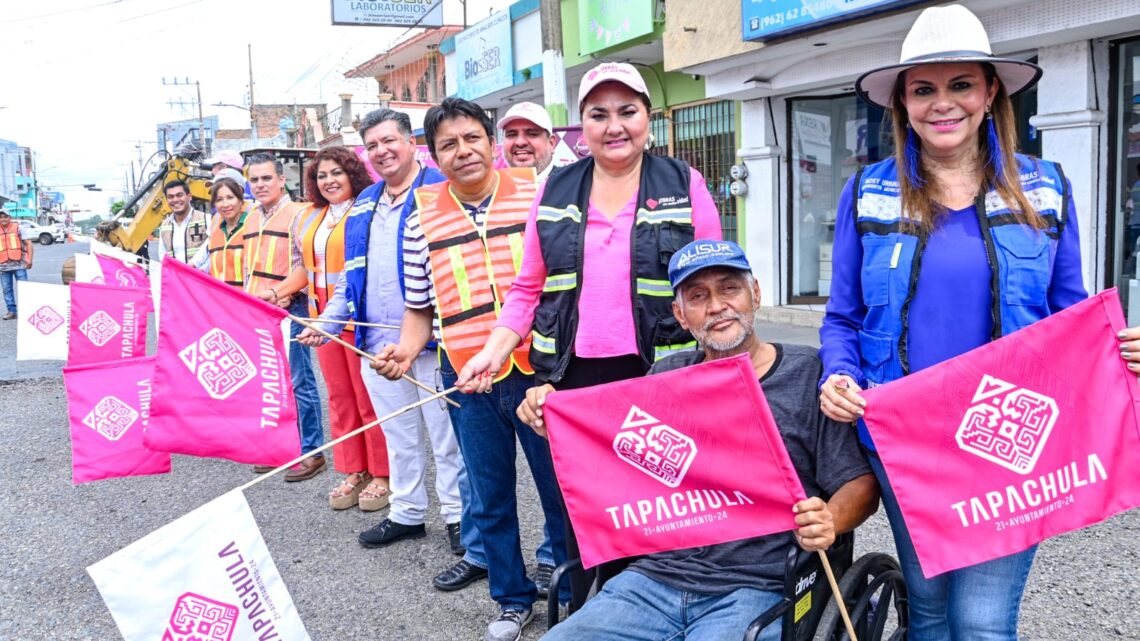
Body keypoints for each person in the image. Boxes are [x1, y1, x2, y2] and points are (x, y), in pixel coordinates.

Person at [815, 6, 1116, 639]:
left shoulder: (1047, 188)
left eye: (960, 85)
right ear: (901, 102)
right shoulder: (866, 192)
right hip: (906, 438)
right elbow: (843, 315)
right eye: (923, 89)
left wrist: (1118, 349)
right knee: (926, 609)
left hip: (1008, 436)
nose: (942, 104)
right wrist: (839, 375)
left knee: (980, 621)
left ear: (990, 94)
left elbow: (1071, 315)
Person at [458, 61, 723, 608]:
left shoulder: (683, 183)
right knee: (587, 511)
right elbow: (528, 288)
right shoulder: (556, 188)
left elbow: (713, 286)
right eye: (598, 114)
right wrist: (492, 351)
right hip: (572, 378)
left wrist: (724, 366)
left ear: (647, 117)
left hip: (658, 377)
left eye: (627, 111)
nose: (614, 125)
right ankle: (590, 611)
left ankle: (656, 608)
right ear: (583, 124)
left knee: (656, 504)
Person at [524, 239, 878, 641]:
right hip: (655, 578)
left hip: (756, 584)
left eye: (730, 288)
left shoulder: (807, 372)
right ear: (680, 314)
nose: (716, 306)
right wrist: (552, 418)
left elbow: (860, 483)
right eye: (697, 296)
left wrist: (829, 519)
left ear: (755, 293)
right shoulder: (665, 376)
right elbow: (613, 463)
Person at [370, 97, 568, 641]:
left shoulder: (539, 196)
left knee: (560, 490)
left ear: (492, 142)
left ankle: (574, 592)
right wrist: (407, 352)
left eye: (472, 138)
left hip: (540, 373)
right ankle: (511, 600)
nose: (463, 152)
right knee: (489, 495)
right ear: (433, 156)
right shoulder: (419, 215)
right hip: (466, 378)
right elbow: (419, 308)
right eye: (448, 145)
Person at [297, 109, 463, 546]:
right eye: (372, 146)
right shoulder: (365, 201)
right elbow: (350, 280)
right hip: (375, 343)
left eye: (389, 141)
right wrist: (326, 323)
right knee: (398, 436)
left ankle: (459, 518)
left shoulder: (441, 190)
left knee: (446, 439)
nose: (382, 151)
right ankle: (407, 512)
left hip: (433, 342)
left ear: (411, 143)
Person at [273, 146, 390, 510]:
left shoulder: (368, 209)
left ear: (352, 173)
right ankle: (355, 470)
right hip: (322, 321)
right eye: (322, 175)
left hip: (360, 320)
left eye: (336, 172)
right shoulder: (309, 217)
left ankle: (384, 473)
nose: (329, 181)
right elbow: (303, 269)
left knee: (369, 397)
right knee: (340, 399)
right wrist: (277, 292)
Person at [242, 152, 326, 482]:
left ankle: (312, 451)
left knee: (299, 380)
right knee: (272, 384)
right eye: (254, 180)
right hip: (259, 310)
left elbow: (304, 266)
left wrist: (281, 294)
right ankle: (284, 447)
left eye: (266, 178)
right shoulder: (252, 218)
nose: (260, 185)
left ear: (281, 180)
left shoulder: (298, 214)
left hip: (290, 307)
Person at [196, 177, 247, 285]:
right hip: (217, 298)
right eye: (219, 200)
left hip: (246, 299)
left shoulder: (253, 226)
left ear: (240, 200)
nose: (225, 204)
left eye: (230, 197)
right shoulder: (215, 233)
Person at [498, 102, 557, 182]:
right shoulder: (494, 189)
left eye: (532, 134)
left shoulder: (573, 188)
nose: (520, 142)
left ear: (551, 143)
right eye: (511, 134)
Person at [156, 179, 210, 264]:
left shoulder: (206, 219)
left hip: (199, 275)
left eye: (179, 195)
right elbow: (163, 255)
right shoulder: (164, 226)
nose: (175, 200)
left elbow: (211, 252)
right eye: (170, 197)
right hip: (175, 276)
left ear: (189, 196)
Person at [0, 209, 33, 320]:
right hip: (3, 266)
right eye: (1, 217)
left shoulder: (18, 228)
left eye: (5, 217)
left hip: (19, 264)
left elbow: (28, 243)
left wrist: (30, 259)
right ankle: (11, 311)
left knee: (24, 288)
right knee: (6, 289)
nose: (3, 219)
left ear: (10, 218)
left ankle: (27, 310)